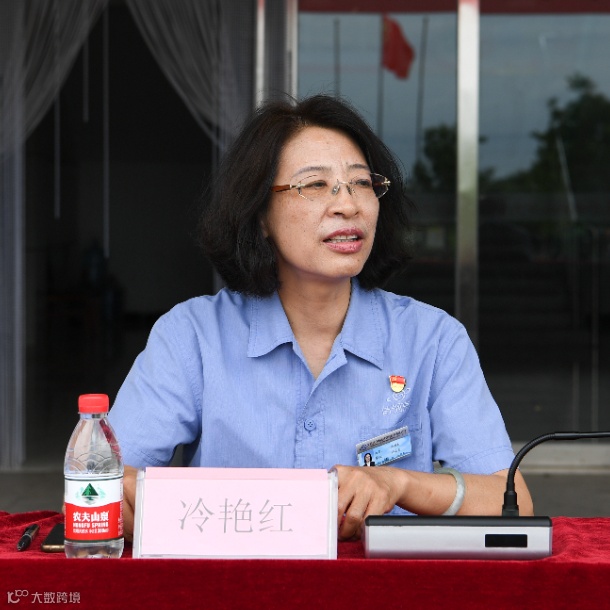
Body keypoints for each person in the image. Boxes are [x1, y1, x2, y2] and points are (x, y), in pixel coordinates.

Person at [108, 94, 533, 541]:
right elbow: (100, 486)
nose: (347, 204)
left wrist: (399, 484)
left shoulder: (432, 339)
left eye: (361, 183)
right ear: (259, 215)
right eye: (314, 184)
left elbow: (513, 502)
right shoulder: (192, 336)